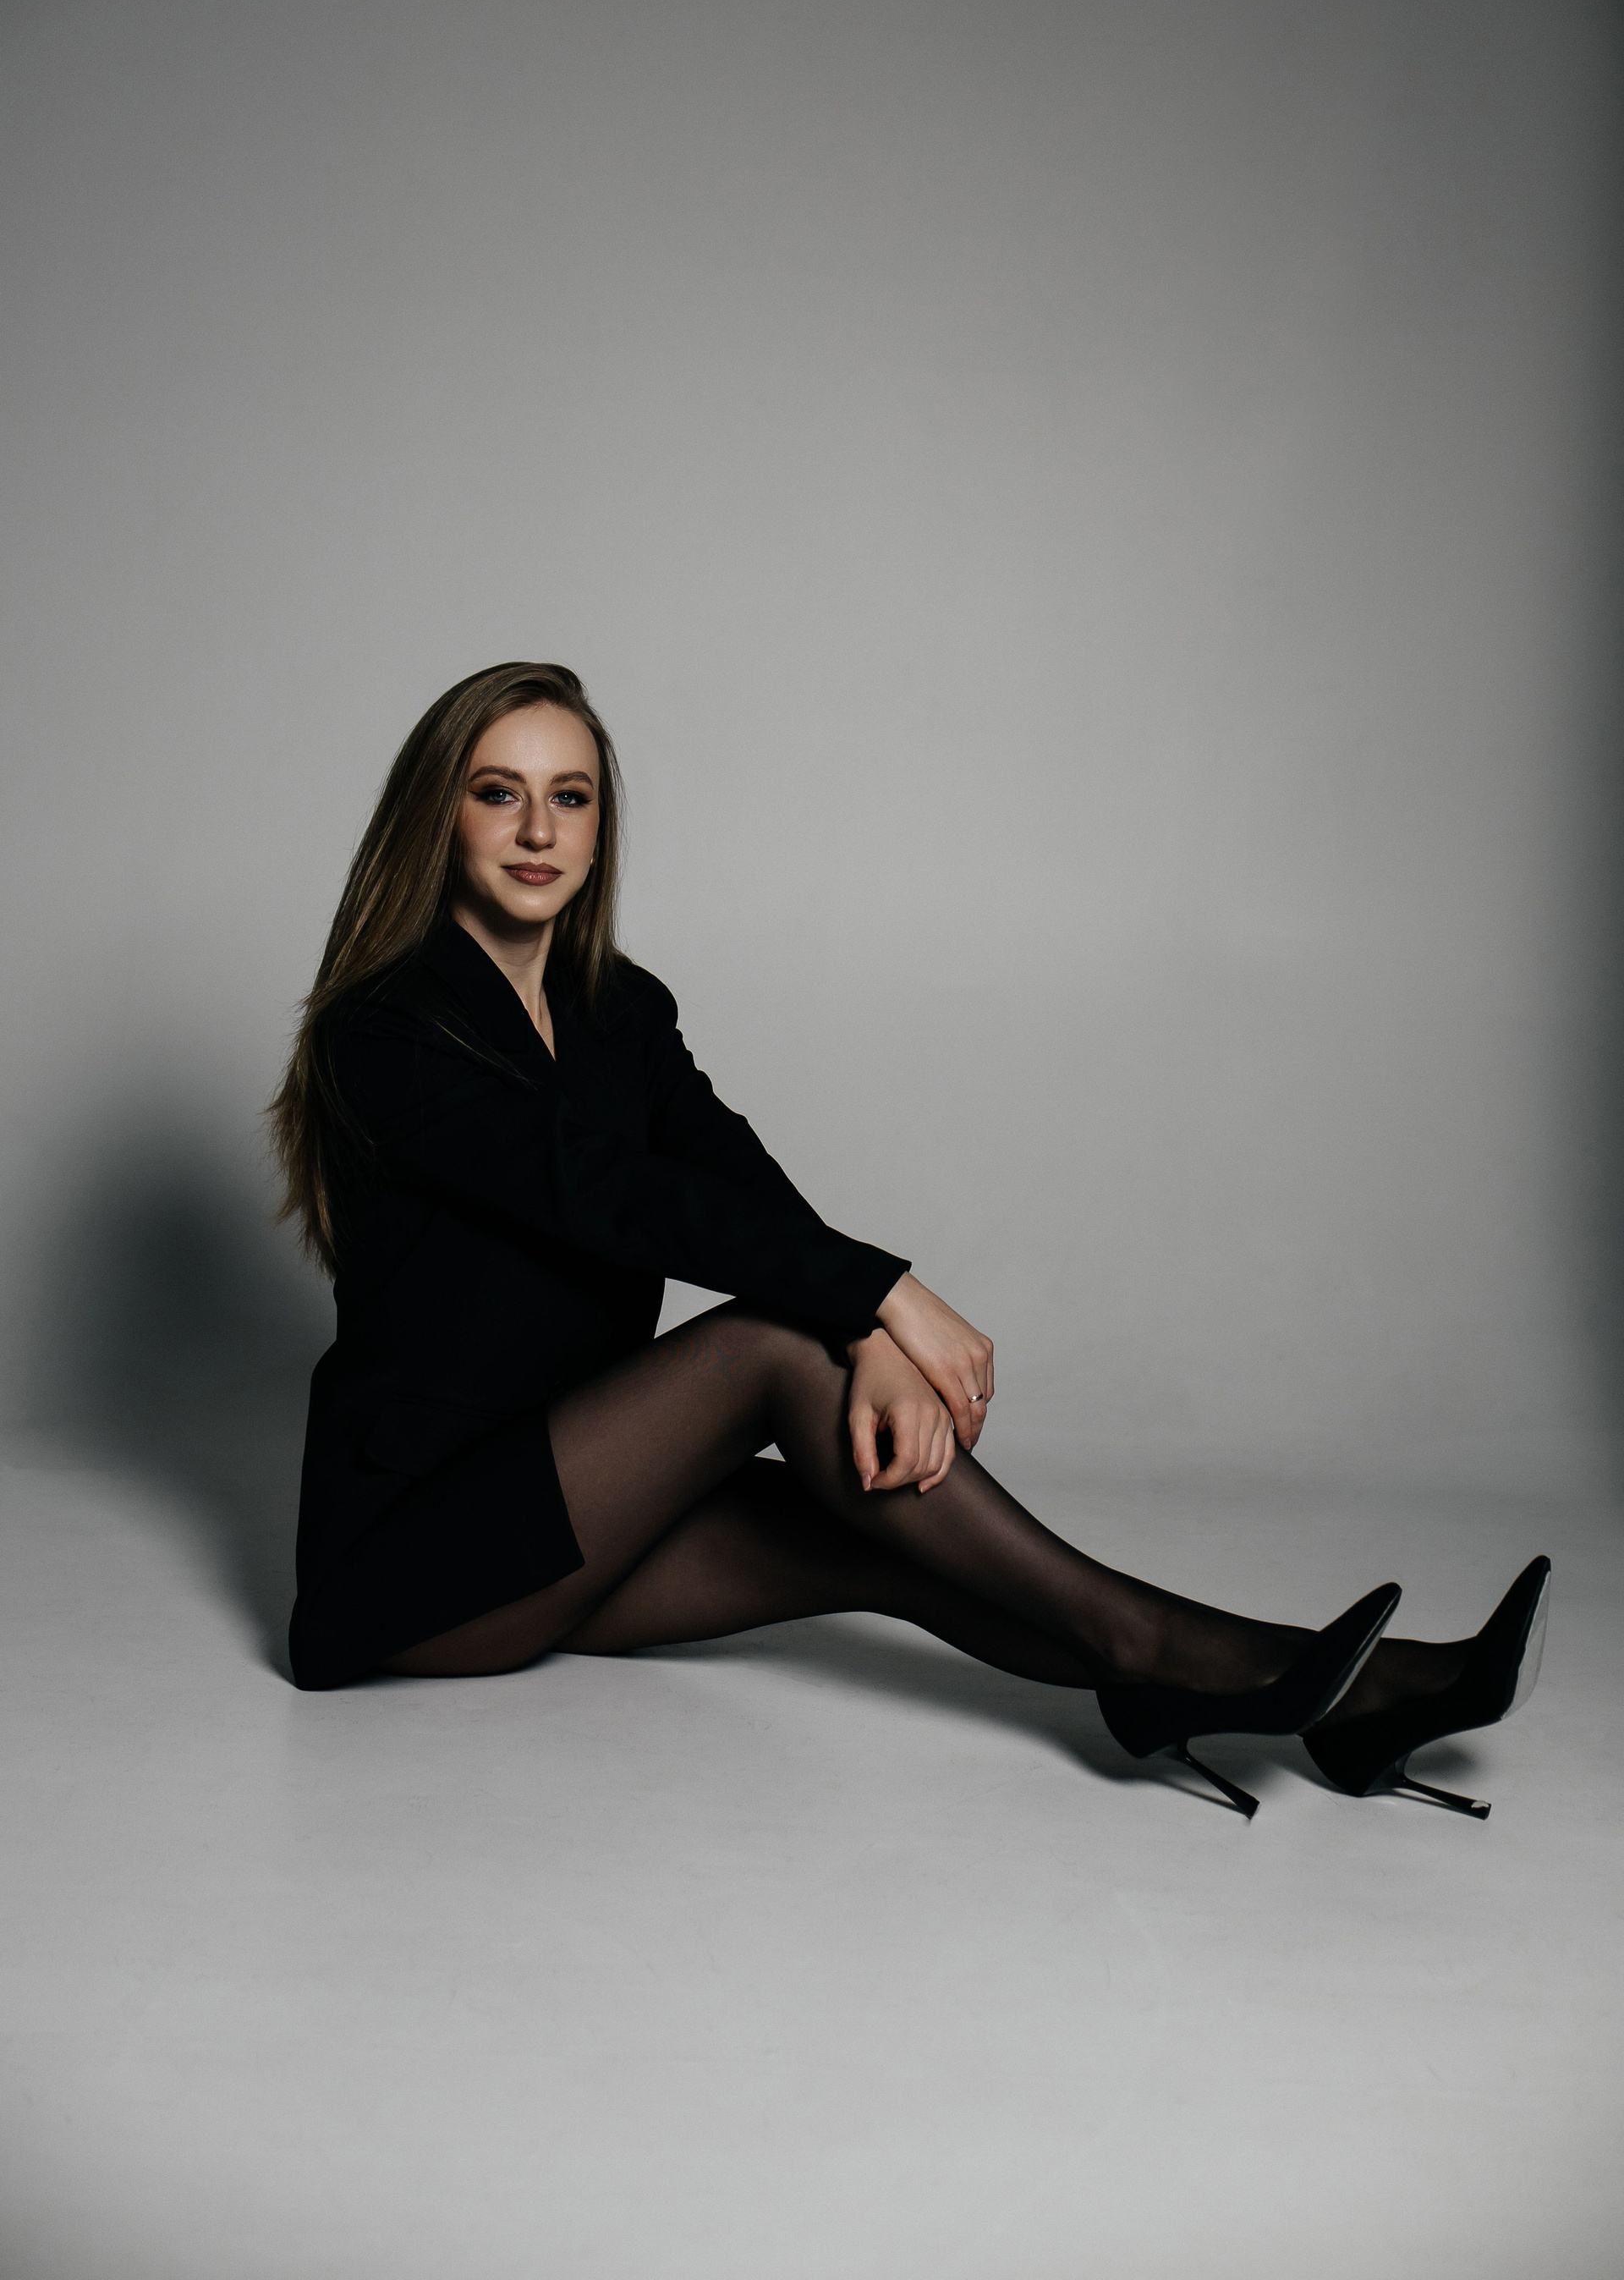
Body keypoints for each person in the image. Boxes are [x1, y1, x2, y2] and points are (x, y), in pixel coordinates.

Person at [270, 663, 1548, 1820]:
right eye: (500, 794)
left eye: (572, 797)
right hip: (415, 1560)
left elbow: (738, 1183)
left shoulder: (620, 1010)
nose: (540, 832)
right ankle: (1162, 1668)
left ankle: (1359, 1694)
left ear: (604, 826)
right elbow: (613, 1198)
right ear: (441, 814)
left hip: (583, 1519)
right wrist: (884, 1298)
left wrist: (867, 1331)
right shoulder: (381, 1032)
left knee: (888, 1531)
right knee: (769, 1348)